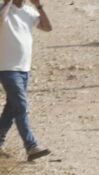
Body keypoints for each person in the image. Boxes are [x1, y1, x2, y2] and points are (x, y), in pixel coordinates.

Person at [0, 0, 50, 161]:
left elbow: (47, 27)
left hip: (24, 68)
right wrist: (7, 2)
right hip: (6, 67)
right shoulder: (3, 8)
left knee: (12, 108)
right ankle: (31, 146)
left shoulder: (29, 11)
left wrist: (39, 6)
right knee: (21, 106)